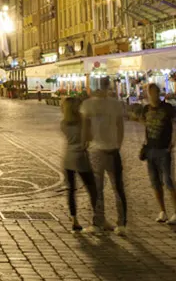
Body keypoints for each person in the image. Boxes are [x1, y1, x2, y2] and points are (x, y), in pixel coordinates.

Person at [81, 76, 127, 234]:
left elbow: (85, 128)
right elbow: (120, 127)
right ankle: (121, 224)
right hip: (111, 149)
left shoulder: (87, 105)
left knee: (98, 189)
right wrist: (118, 145)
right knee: (117, 188)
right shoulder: (116, 104)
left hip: (96, 150)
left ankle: (98, 222)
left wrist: (85, 144)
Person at [142, 83, 176, 224]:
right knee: (155, 183)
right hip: (150, 149)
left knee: (168, 181)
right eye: (149, 92)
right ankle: (163, 211)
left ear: (158, 93)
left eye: (154, 91)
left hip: (164, 149)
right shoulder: (146, 109)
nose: (152, 94)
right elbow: (145, 126)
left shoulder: (167, 108)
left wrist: (173, 143)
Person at [61, 96, 98, 232]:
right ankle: (97, 217)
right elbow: (89, 138)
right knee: (92, 188)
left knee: (71, 190)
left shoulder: (63, 123)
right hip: (81, 157)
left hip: (68, 158)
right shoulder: (82, 121)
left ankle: (74, 220)